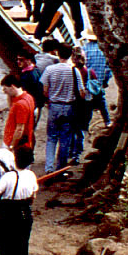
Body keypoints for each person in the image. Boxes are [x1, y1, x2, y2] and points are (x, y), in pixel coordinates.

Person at [41, 41, 86, 173]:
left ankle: (49, 168)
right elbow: (82, 93)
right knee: (65, 138)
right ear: (71, 55)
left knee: (51, 137)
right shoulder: (74, 71)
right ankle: (60, 168)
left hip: (54, 105)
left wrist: (51, 96)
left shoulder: (50, 69)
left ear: (57, 53)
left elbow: (44, 90)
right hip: (69, 107)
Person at [0, 72, 38, 158]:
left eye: (5, 89)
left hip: (12, 140)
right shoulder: (28, 97)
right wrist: (9, 94)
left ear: (12, 86)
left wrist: (12, 146)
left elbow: (19, 129)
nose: (4, 92)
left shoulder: (20, 105)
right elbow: (11, 107)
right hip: (27, 139)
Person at [80, 34, 112, 125]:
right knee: (102, 101)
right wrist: (105, 81)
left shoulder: (84, 49)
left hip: (87, 81)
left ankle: (85, 126)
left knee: (86, 104)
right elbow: (108, 69)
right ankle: (107, 121)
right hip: (99, 81)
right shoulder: (105, 50)